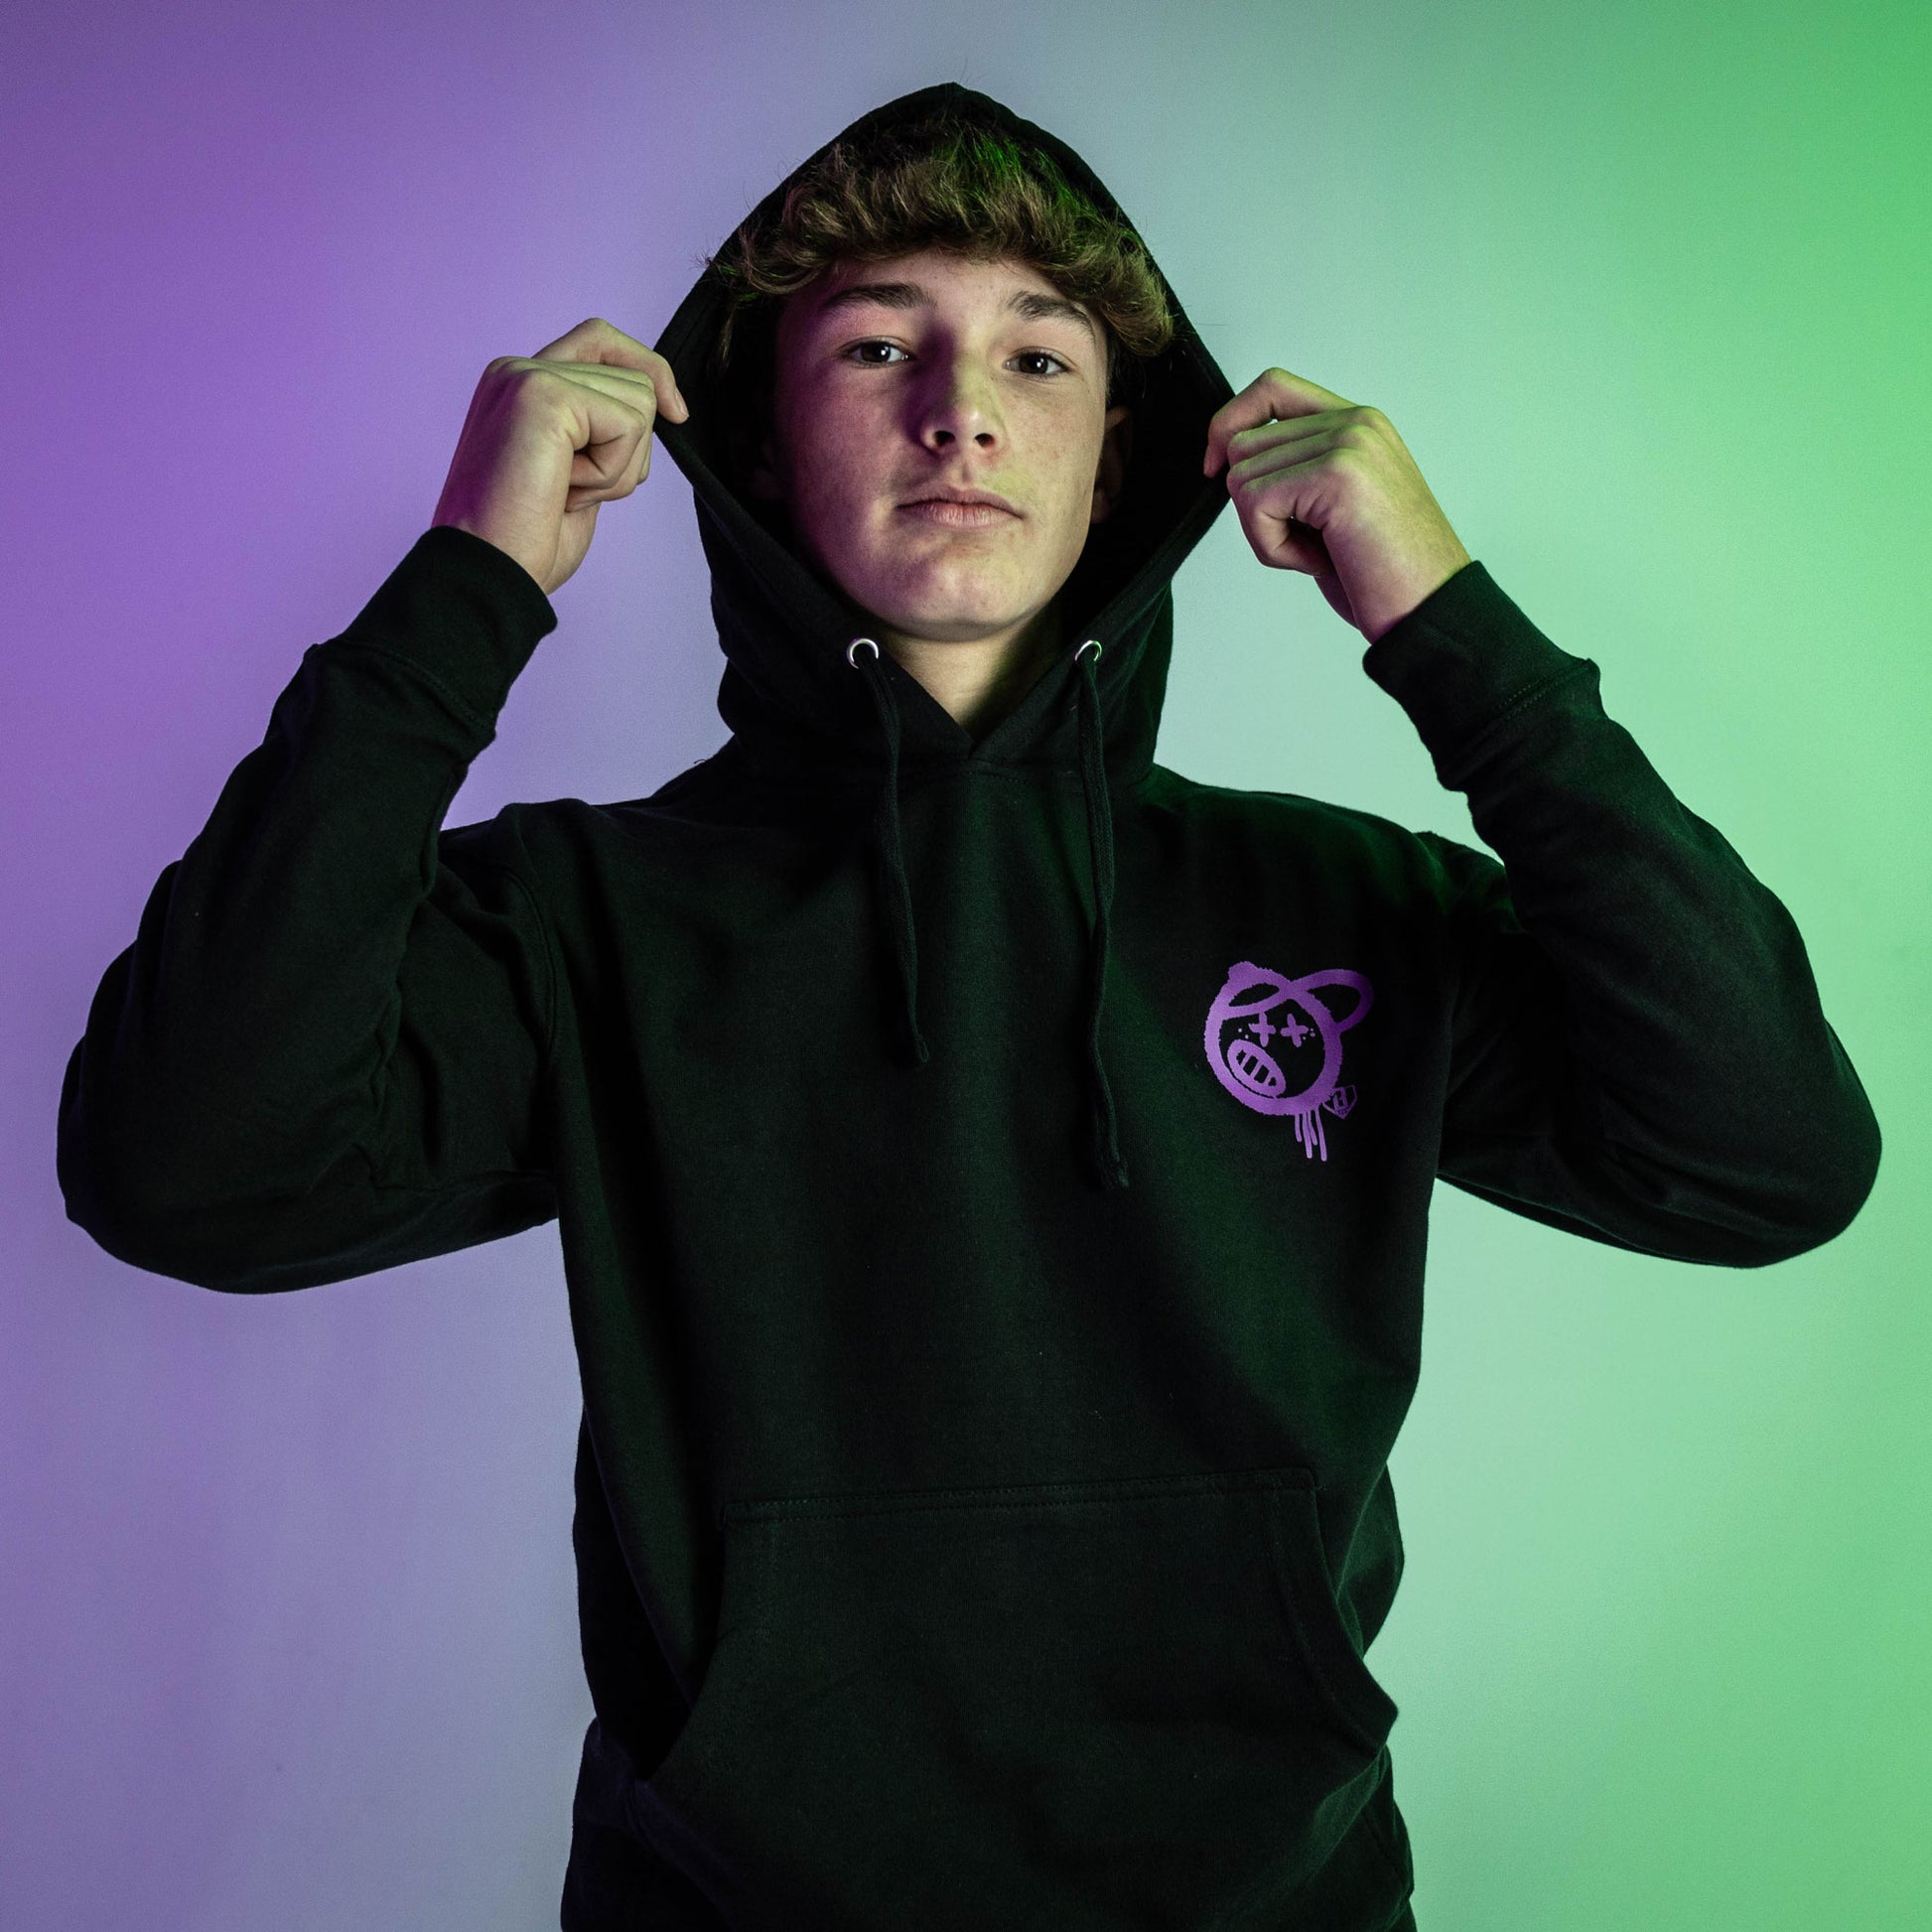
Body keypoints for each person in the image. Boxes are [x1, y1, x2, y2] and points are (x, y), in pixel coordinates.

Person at [57, 81, 1881, 1932]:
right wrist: (469, 580)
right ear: (758, 445)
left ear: (1121, 457)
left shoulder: (1344, 911)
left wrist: (1447, 622)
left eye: (1038, 354)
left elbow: (1767, 1156)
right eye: (876, 346)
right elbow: (185, 1167)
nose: (961, 410)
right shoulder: (584, 920)